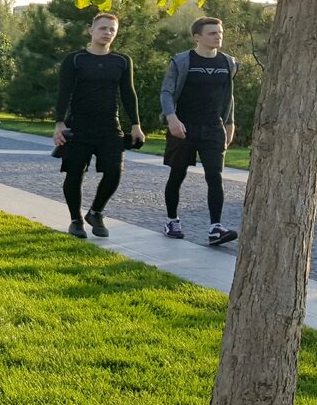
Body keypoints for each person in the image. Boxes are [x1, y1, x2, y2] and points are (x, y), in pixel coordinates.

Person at [53, 13, 144, 239]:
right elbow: (64, 92)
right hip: (79, 126)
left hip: (109, 127)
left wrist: (136, 125)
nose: (107, 33)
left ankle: (96, 212)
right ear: (91, 31)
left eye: (112, 29)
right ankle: (75, 220)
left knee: (114, 171)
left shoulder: (122, 61)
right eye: (103, 28)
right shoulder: (75, 59)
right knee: (74, 174)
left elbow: (128, 93)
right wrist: (59, 123)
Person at [159, 17, 239, 245]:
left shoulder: (228, 63)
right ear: (198, 37)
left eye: (220, 32)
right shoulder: (182, 61)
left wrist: (230, 123)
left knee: (215, 177)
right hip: (183, 127)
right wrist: (171, 118)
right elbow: (166, 92)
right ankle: (172, 221)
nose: (218, 36)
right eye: (212, 33)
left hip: (213, 128)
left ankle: (215, 228)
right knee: (177, 174)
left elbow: (228, 97)